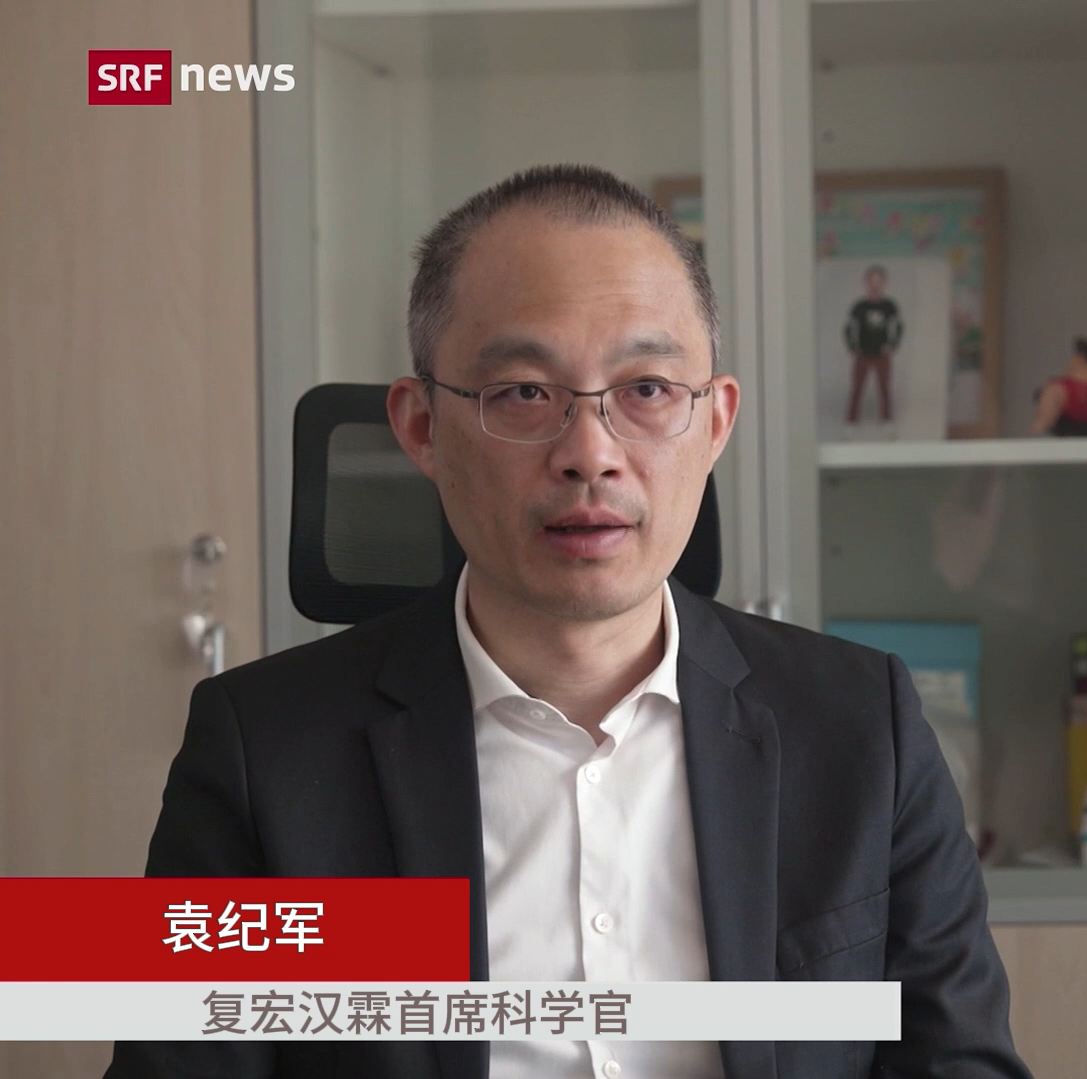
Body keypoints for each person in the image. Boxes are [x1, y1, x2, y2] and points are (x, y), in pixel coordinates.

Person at [105, 165, 1031, 1079]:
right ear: (421, 427)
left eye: (648, 389)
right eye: (523, 392)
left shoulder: (862, 728)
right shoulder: (266, 757)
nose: (591, 453)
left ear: (714, 423)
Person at [843, 264, 902, 424]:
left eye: (878, 281)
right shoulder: (859, 306)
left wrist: (893, 345)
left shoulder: (889, 306)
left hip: (882, 354)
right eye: (872, 281)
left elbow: (898, 326)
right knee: (857, 389)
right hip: (862, 353)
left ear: (884, 283)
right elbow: (848, 327)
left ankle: (887, 421)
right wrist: (851, 346)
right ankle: (851, 421)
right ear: (866, 283)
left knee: (884, 389)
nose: (875, 285)